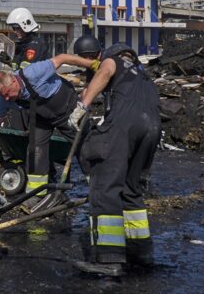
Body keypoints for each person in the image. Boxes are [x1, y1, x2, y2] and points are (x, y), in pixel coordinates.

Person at [69, 43, 161, 277]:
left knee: (104, 187)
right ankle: (141, 252)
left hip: (125, 125)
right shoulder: (142, 74)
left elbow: (106, 71)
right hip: (152, 128)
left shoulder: (113, 61)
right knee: (131, 189)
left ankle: (108, 258)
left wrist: (82, 105)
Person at [0, 53, 99, 213]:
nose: (6, 99)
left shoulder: (34, 72)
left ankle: (99, 186)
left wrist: (92, 64)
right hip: (41, 116)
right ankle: (37, 195)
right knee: (34, 149)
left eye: (7, 93)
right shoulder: (4, 99)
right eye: (2, 96)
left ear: (14, 81)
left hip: (66, 108)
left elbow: (62, 58)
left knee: (85, 147)